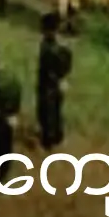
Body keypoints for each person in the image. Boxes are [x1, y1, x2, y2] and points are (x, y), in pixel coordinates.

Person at [36, 12, 73, 150]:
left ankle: (48, 139)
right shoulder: (61, 46)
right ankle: (57, 135)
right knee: (56, 109)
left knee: (47, 111)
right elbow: (68, 63)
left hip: (48, 84)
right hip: (57, 82)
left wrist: (56, 78)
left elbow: (47, 67)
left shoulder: (48, 47)